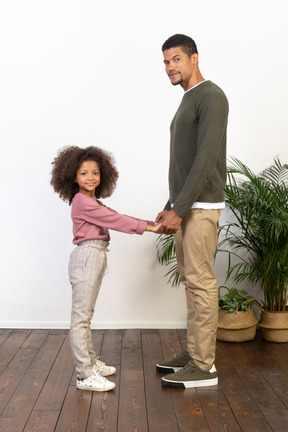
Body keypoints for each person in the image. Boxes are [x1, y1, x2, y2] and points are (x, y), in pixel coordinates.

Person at [51, 145, 161, 392]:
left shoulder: (93, 201)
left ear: (103, 175)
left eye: (95, 172)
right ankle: (84, 375)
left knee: (85, 316)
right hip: (88, 256)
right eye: (83, 173)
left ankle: (90, 363)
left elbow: (117, 215)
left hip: (96, 255)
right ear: (72, 177)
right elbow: (118, 222)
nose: (90, 177)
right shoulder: (81, 202)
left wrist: (152, 223)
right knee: (81, 317)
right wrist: (151, 228)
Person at [155, 34, 229, 388]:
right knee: (191, 283)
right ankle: (195, 353)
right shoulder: (188, 99)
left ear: (194, 58)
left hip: (200, 208)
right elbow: (183, 162)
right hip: (187, 207)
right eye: (166, 61)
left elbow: (204, 159)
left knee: (201, 283)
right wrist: (170, 206)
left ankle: (205, 366)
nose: (170, 66)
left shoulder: (211, 96)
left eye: (176, 59)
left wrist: (180, 208)